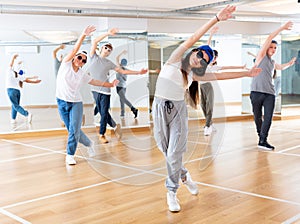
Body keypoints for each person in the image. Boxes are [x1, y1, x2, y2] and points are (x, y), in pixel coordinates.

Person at [152, 5, 262, 213]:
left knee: (174, 151)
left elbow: (221, 76)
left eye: (204, 60)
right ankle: (184, 175)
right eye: (200, 54)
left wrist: (246, 74)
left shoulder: (195, 76)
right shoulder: (175, 59)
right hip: (158, 107)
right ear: (195, 51)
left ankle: (172, 191)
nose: (200, 59)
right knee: (165, 150)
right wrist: (216, 19)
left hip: (177, 111)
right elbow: (194, 36)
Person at [56, 25, 119, 165]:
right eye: (80, 58)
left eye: (84, 61)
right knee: (73, 130)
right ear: (74, 58)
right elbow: (73, 50)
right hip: (61, 102)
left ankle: (70, 155)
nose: (81, 61)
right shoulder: (65, 64)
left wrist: (111, 84)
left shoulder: (82, 74)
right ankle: (90, 144)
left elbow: (96, 81)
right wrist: (83, 35)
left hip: (76, 104)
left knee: (73, 131)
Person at [89, 28, 147, 144]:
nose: (107, 50)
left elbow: (123, 72)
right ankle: (115, 126)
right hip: (94, 90)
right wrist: (108, 33)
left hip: (105, 91)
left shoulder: (109, 63)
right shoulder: (93, 57)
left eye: (109, 50)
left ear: (110, 53)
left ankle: (102, 134)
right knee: (102, 112)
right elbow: (95, 41)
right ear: (101, 48)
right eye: (106, 47)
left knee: (104, 113)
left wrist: (138, 72)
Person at [250, 21, 296, 151]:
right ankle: (261, 137)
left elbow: (280, 67)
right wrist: (282, 28)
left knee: (268, 118)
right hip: (256, 92)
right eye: (271, 47)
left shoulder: (272, 61)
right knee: (257, 117)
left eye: (275, 48)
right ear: (266, 48)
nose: (273, 50)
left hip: (270, 93)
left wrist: (289, 64)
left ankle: (263, 140)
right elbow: (270, 37)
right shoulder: (261, 56)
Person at [201, 27, 246, 136]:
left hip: (209, 86)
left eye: (215, 57)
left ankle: (207, 126)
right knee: (203, 106)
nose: (213, 58)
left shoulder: (215, 67)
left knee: (210, 106)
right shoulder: (203, 63)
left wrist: (241, 67)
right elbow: (207, 47)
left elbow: (228, 67)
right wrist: (211, 34)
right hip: (201, 86)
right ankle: (210, 124)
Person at [6, 54, 41, 125]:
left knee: (15, 105)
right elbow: (26, 80)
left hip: (11, 91)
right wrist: (35, 81)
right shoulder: (18, 75)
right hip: (17, 91)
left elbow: (10, 64)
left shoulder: (10, 72)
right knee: (15, 105)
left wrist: (13, 58)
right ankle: (13, 119)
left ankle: (27, 114)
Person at [115, 50, 139, 119]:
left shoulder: (120, 68)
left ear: (121, 63)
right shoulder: (125, 69)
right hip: (124, 87)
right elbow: (125, 79)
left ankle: (133, 109)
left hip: (120, 87)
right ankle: (122, 114)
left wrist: (122, 53)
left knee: (123, 99)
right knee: (122, 100)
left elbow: (117, 58)